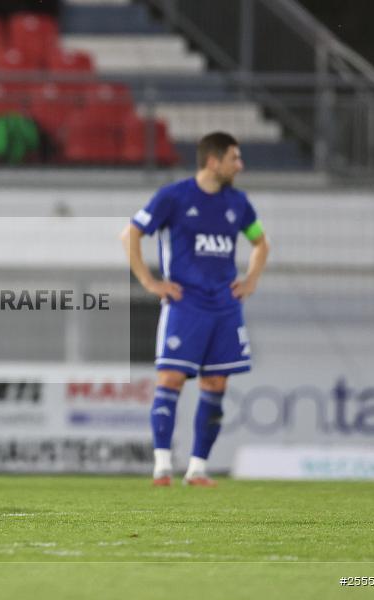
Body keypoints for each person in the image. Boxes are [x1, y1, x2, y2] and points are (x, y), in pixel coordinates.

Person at [121, 132, 270, 487]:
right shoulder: (174, 197)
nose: (240, 165)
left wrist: (251, 280)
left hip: (224, 307)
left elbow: (260, 242)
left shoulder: (238, 203)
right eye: (235, 158)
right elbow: (130, 234)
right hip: (184, 305)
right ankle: (161, 466)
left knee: (216, 383)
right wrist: (149, 282)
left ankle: (198, 468)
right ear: (213, 161)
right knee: (170, 379)